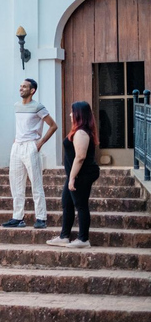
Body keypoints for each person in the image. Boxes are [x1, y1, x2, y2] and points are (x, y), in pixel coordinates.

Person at [2, 78, 58, 229]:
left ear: (32, 90)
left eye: (24, 87)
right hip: (17, 146)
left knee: (36, 182)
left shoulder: (38, 107)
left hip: (31, 146)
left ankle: (41, 217)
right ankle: (17, 217)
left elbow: (53, 126)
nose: (21, 88)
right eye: (20, 86)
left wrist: (40, 143)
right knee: (16, 183)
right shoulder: (16, 106)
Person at [46, 101, 100, 248]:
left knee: (80, 205)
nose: (70, 114)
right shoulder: (78, 131)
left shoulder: (81, 132)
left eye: (72, 112)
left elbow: (80, 156)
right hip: (75, 174)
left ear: (78, 114)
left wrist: (72, 178)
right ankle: (64, 236)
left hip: (82, 174)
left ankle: (83, 239)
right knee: (67, 203)